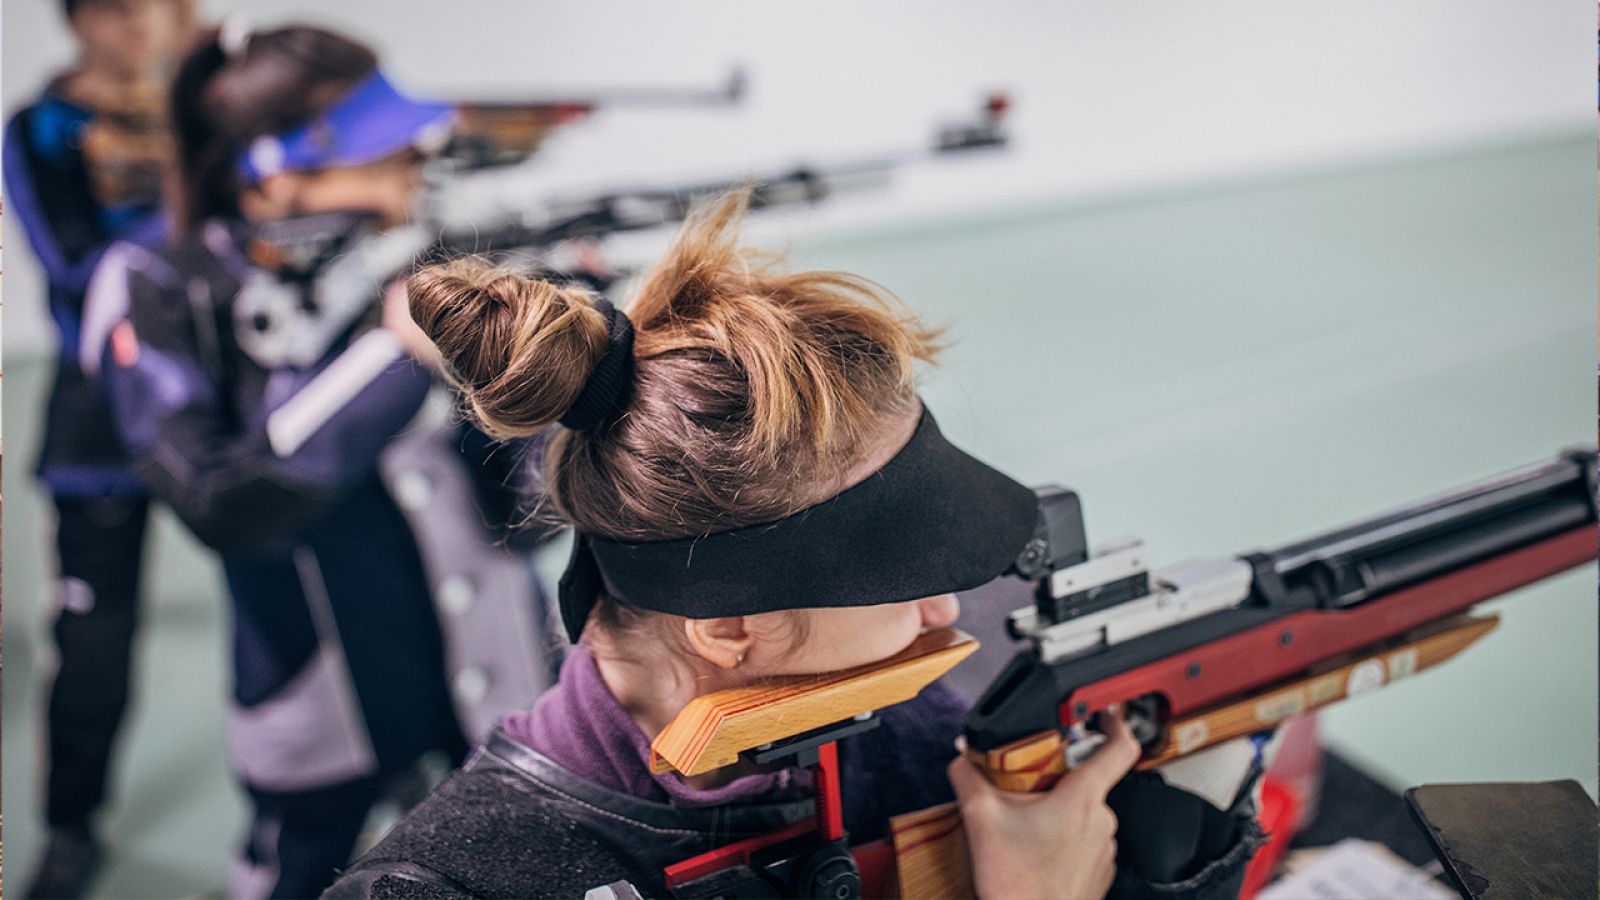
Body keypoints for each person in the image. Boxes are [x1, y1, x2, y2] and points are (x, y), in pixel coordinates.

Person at [323, 190, 1262, 899]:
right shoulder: (441, 886)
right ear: (730, 623)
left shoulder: (901, 724)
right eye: (907, 578)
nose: (947, 611)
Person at [84, 25, 558, 899]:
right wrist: (393, 352)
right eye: (382, 156)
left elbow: (527, 497)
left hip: (497, 654)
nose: (415, 166)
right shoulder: (159, 280)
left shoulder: (430, 242)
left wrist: (555, 378)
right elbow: (222, 499)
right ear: (277, 174)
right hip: (319, 679)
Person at [2, 2, 189, 896]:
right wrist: (203, 200)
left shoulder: (203, 104)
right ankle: (71, 824)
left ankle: (381, 764)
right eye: (119, 8)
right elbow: (80, 267)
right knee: (93, 630)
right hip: (99, 426)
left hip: (229, 414)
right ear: (80, 20)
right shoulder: (43, 129)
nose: (145, 25)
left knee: (304, 600)